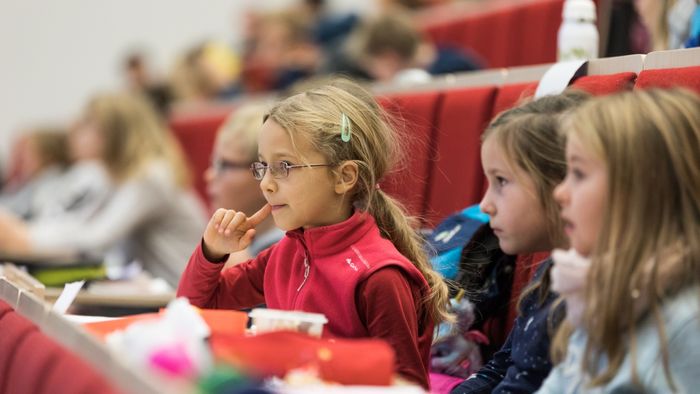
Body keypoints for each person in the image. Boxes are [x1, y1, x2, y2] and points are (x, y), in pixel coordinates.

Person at [177, 79, 451, 389]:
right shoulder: (286, 254)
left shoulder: (380, 276)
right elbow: (191, 311)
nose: (266, 183)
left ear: (344, 176)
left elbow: (407, 387)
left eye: (284, 166)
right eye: (263, 166)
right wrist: (212, 252)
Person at [537, 88, 700, 392]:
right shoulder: (604, 293)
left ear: (643, 195)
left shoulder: (686, 326)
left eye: (579, 174)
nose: (559, 192)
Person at [448, 90, 590, 394]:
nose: (485, 205)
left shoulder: (585, 294)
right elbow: (500, 368)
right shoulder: (550, 273)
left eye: (501, 181)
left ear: (561, 185)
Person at [0, 92, 207, 287]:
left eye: (87, 125)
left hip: (177, 293)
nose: (74, 133)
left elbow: (95, 239)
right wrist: (24, 234)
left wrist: (26, 237)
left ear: (114, 134)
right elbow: (80, 224)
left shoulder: (150, 176)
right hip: (153, 289)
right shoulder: (116, 176)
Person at [205, 103, 284, 266]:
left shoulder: (286, 251)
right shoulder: (240, 246)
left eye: (224, 165)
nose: (209, 175)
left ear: (266, 172)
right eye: (213, 163)